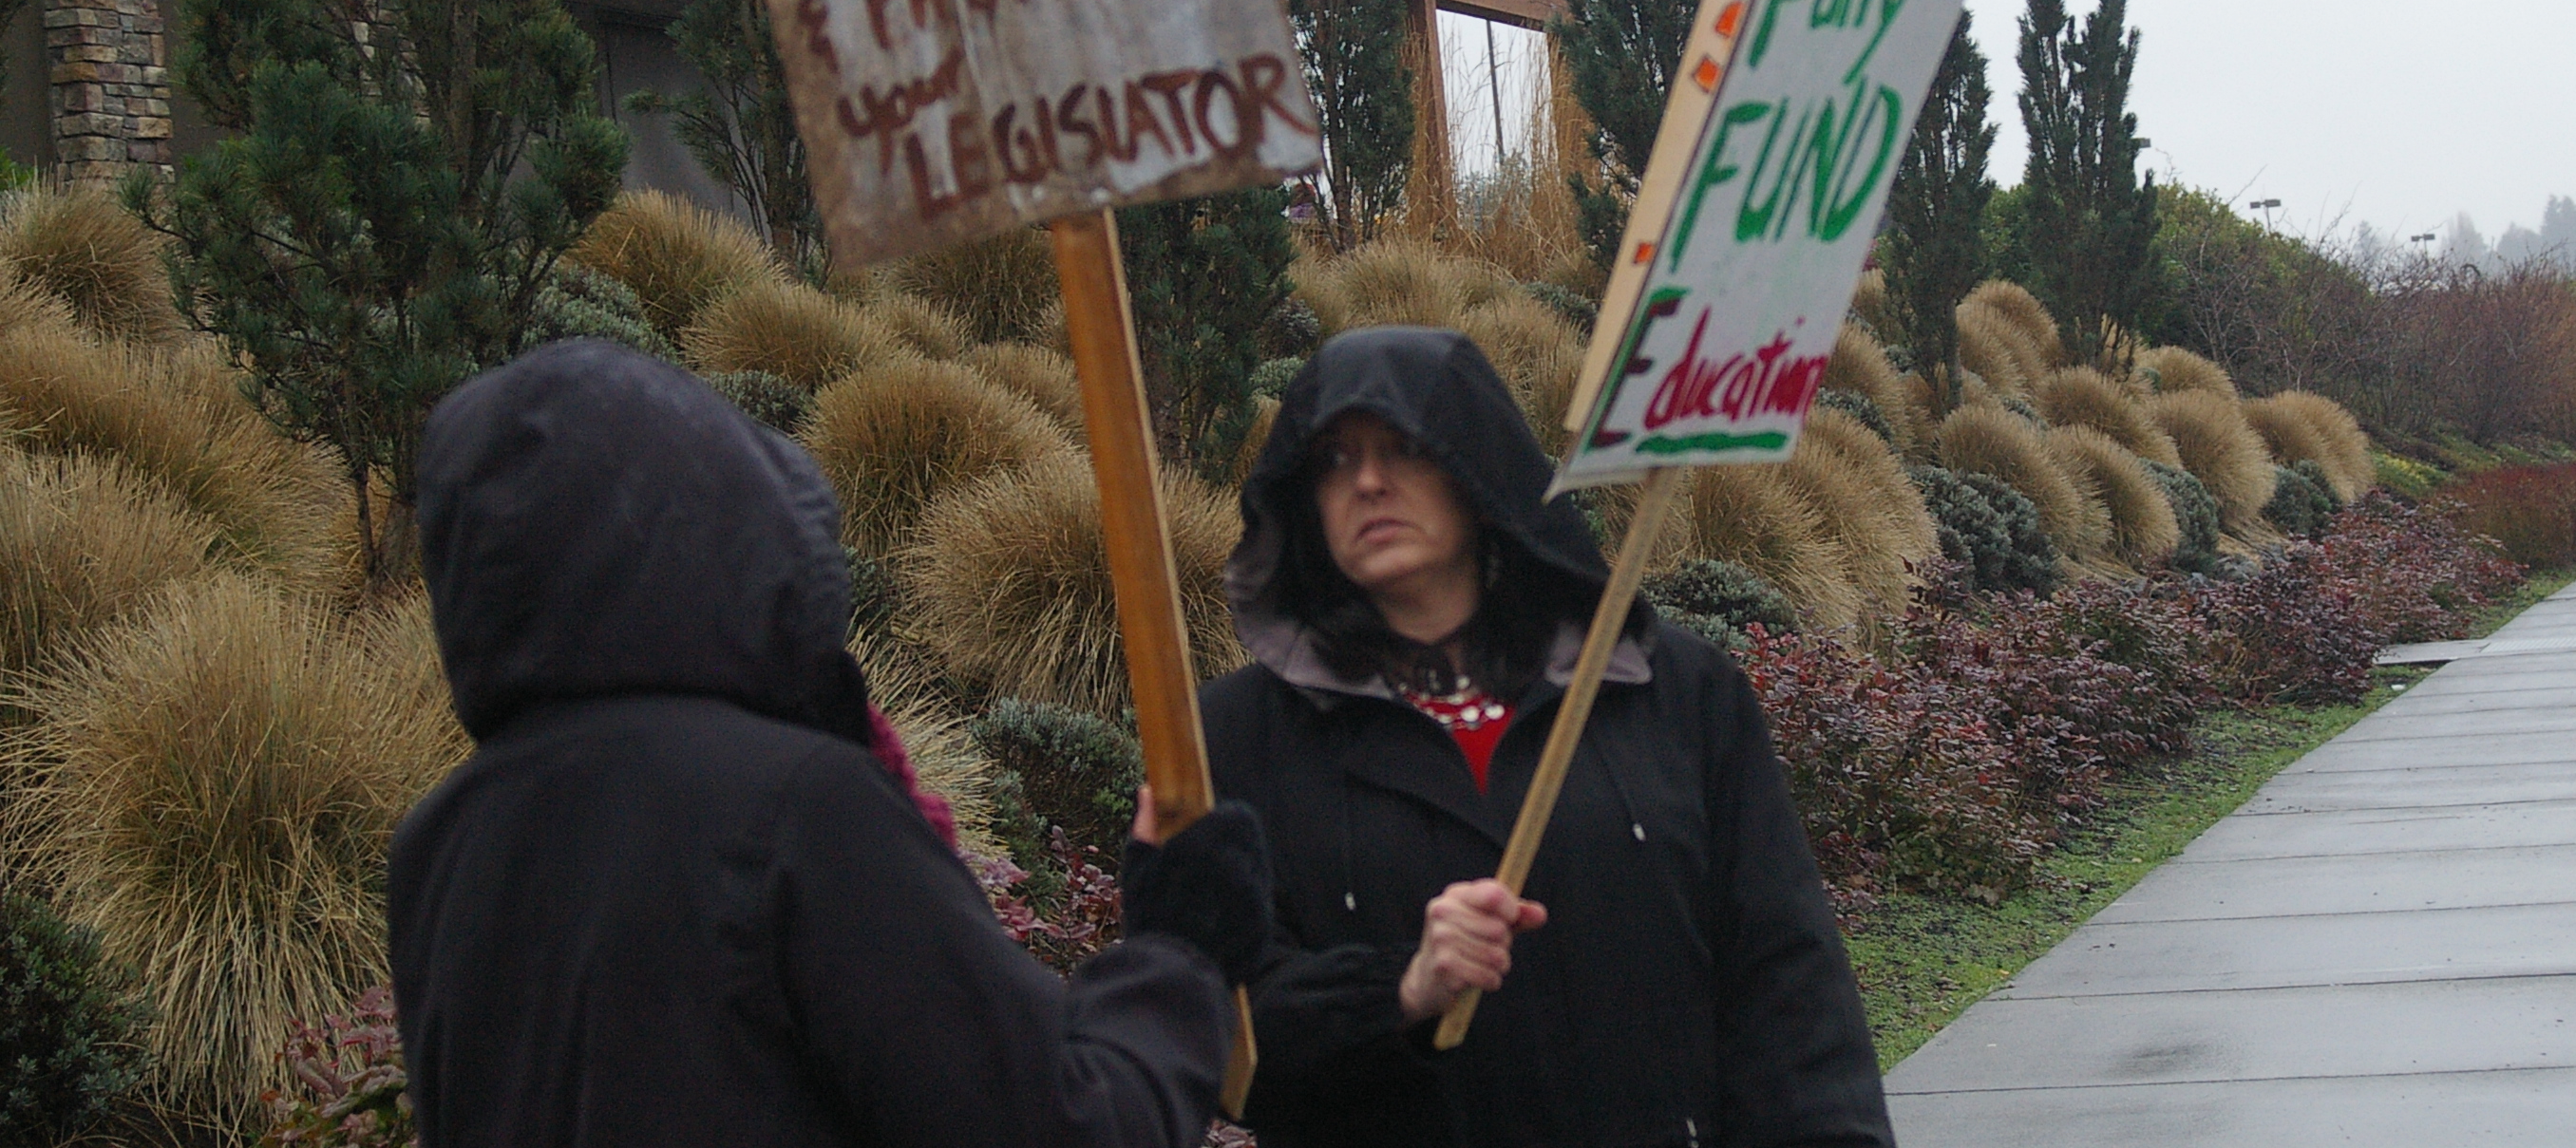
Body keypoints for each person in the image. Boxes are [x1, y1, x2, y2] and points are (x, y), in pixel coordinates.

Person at [390, 339, 1272, 1147]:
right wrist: (1178, 952)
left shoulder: (439, 840)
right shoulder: (795, 807)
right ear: (725, 518)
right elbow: (1063, 1127)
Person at [1201, 325, 1893, 1148]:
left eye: (1405, 447)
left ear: (1474, 464)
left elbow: (1788, 983)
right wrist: (1401, 990)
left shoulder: (1671, 691)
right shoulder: (1238, 737)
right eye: (1333, 461)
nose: (1370, 481)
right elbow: (1216, 1034)